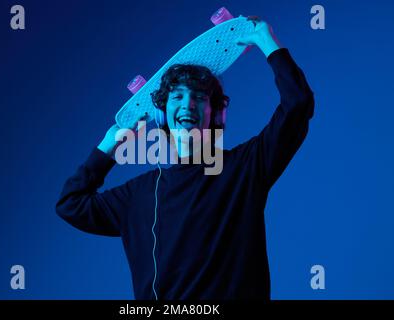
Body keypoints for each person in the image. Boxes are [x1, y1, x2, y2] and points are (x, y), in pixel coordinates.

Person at [56, 16, 315, 300]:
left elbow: (297, 105)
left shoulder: (246, 168)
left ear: (214, 113)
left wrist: (267, 41)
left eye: (199, 97)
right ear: (161, 115)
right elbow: (71, 204)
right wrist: (109, 144)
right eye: (177, 96)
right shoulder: (139, 195)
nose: (188, 104)